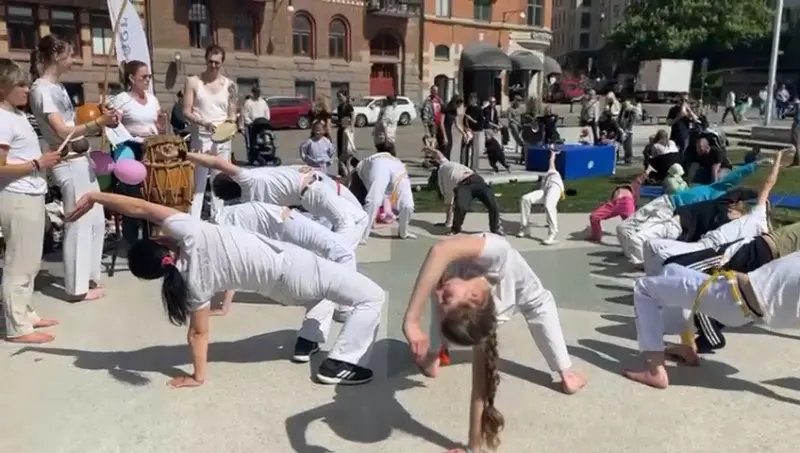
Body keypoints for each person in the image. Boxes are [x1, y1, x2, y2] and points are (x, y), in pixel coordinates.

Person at [64, 192, 385, 387]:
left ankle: (309, 340)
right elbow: (141, 207)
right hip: (295, 268)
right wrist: (96, 197)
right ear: (159, 240)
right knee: (372, 297)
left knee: (320, 296)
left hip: (282, 291)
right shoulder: (191, 232)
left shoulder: (190, 282)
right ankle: (341, 362)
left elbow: (198, 334)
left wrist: (198, 376)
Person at [402, 234, 586, 450]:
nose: (439, 291)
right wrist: (473, 448)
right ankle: (433, 356)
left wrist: (412, 320)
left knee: (541, 308)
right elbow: (481, 385)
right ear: (474, 297)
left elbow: (440, 251)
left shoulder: (493, 272)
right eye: (446, 296)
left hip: (530, 297)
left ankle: (566, 373)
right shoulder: (492, 267)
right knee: (444, 307)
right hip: (489, 300)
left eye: (445, 296)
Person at [623, 249, 800, 389]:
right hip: (736, 299)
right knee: (671, 270)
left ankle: (655, 370)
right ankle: (687, 346)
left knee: (644, 289)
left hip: (730, 297)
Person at [28, 35, 119, 302]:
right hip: (68, 163)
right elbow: (60, 130)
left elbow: (74, 120)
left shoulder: (57, 87)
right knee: (78, 222)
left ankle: (89, 277)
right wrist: (96, 124)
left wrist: (103, 117)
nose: (73, 60)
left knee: (95, 220)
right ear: (56, 56)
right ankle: (76, 288)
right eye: (69, 54)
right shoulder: (41, 89)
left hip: (82, 160)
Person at [0, 58, 63, 343]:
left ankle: (26, 314)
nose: (27, 89)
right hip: (17, 195)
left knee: (30, 260)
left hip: (31, 194)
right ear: (3, 87)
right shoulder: (2, 119)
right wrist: (39, 163)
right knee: (18, 262)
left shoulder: (16, 115)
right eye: (20, 84)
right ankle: (16, 327)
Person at [186, 153, 367, 251]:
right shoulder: (249, 179)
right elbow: (217, 162)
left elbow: (278, 213)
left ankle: (337, 259)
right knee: (346, 226)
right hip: (315, 191)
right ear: (232, 180)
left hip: (310, 198)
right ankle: (338, 265)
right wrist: (185, 154)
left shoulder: (249, 200)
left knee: (361, 218)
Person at [642, 152, 782, 276]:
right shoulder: (729, 209)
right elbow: (765, 186)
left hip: (710, 250)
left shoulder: (758, 220)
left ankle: (659, 290)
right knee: (651, 245)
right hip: (699, 244)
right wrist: (777, 161)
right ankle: (656, 284)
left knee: (664, 257)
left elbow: (767, 186)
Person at [210, 201, 354, 316]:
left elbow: (235, 267)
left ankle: (344, 306)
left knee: (339, 254)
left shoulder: (225, 230)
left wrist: (225, 308)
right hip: (282, 219)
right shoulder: (224, 219)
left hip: (285, 223)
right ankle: (342, 302)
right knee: (329, 255)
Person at [616, 159, 765, 265]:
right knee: (628, 229)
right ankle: (635, 255)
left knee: (641, 235)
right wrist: (757, 172)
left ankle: (639, 259)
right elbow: (738, 176)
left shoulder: (721, 205)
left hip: (671, 212)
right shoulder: (719, 190)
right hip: (668, 203)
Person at [112, 59, 167, 245]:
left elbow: (160, 128)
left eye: (149, 77)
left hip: (151, 148)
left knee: (153, 193)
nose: (147, 80)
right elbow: (114, 125)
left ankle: (152, 238)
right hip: (130, 148)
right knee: (132, 195)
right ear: (131, 78)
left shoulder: (153, 100)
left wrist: (161, 125)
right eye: (143, 77)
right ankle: (132, 241)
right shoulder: (122, 99)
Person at [181, 45, 237, 219]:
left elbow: (232, 114)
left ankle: (218, 219)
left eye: (217, 63)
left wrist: (229, 126)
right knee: (199, 180)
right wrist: (203, 122)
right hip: (201, 136)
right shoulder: (193, 82)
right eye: (211, 62)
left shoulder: (230, 85)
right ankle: (194, 219)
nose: (213, 66)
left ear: (222, 63)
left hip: (222, 139)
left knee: (219, 180)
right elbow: (186, 111)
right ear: (206, 60)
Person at [423, 146, 501, 235]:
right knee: (461, 207)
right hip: (464, 185)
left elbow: (438, 154)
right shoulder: (443, 183)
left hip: (476, 179)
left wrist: (430, 149)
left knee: (493, 204)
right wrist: (447, 223)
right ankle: (456, 229)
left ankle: (495, 229)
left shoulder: (444, 164)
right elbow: (450, 204)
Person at [350, 152, 415, 240]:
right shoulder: (364, 168)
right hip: (375, 166)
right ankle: (362, 235)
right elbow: (373, 200)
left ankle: (403, 232)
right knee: (374, 200)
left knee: (408, 205)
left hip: (392, 166)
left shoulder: (398, 169)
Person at [588, 167, 651, 242]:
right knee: (632, 226)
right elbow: (640, 179)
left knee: (594, 217)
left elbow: (640, 179)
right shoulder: (634, 186)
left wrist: (648, 170)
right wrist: (648, 170)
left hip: (620, 202)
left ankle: (596, 235)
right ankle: (639, 239)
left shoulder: (632, 187)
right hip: (626, 204)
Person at [518, 146, 563, 244]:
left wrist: (554, 153)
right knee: (525, 199)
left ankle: (552, 233)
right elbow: (551, 160)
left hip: (555, 187)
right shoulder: (546, 175)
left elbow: (552, 162)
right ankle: (525, 228)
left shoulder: (554, 172)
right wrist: (552, 153)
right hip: (544, 190)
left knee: (549, 205)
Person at [242, 86, 269, 164]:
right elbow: (245, 114)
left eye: (259, 93)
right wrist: (250, 122)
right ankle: (251, 159)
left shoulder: (263, 102)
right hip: (252, 125)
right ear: (253, 93)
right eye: (256, 93)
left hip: (262, 124)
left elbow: (267, 111)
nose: (258, 95)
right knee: (250, 143)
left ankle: (263, 156)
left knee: (263, 141)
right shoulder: (248, 102)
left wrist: (266, 120)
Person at [334, 90, 354, 176]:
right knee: (340, 151)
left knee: (347, 151)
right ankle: (341, 172)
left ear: (345, 97)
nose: (339, 98)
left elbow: (353, 116)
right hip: (340, 130)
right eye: (338, 96)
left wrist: (352, 127)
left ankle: (348, 171)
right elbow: (339, 119)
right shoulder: (339, 107)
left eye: (341, 96)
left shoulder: (349, 106)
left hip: (347, 130)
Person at [421, 85, 446, 151]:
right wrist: (425, 124)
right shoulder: (428, 100)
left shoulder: (438, 99)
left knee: (438, 139)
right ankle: (431, 154)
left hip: (439, 122)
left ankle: (436, 153)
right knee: (432, 139)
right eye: (434, 90)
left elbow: (442, 109)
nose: (435, 92)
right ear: (431, 91)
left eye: (436, 90)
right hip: (432, 122)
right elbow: (425, 113)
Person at [464, 93, 484, 169]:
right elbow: (464, 119)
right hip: (468, 130)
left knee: (475, 150)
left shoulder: (479, 109)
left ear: (475, 100)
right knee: (465, 148)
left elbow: (480, 122)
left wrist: (471, 119)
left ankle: (474, 167)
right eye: (469, 99)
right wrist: (466, 128)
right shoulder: (468, 108)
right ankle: (465, 165)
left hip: (476, 131)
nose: (470, 101)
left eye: (472, 99)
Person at [791, 98, 800, 167]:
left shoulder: (798, 110)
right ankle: (795, 161)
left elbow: (797, 119)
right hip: (797, 126)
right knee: (796, 144)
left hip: (796, 126)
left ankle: (797, 161)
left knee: (796, 144)